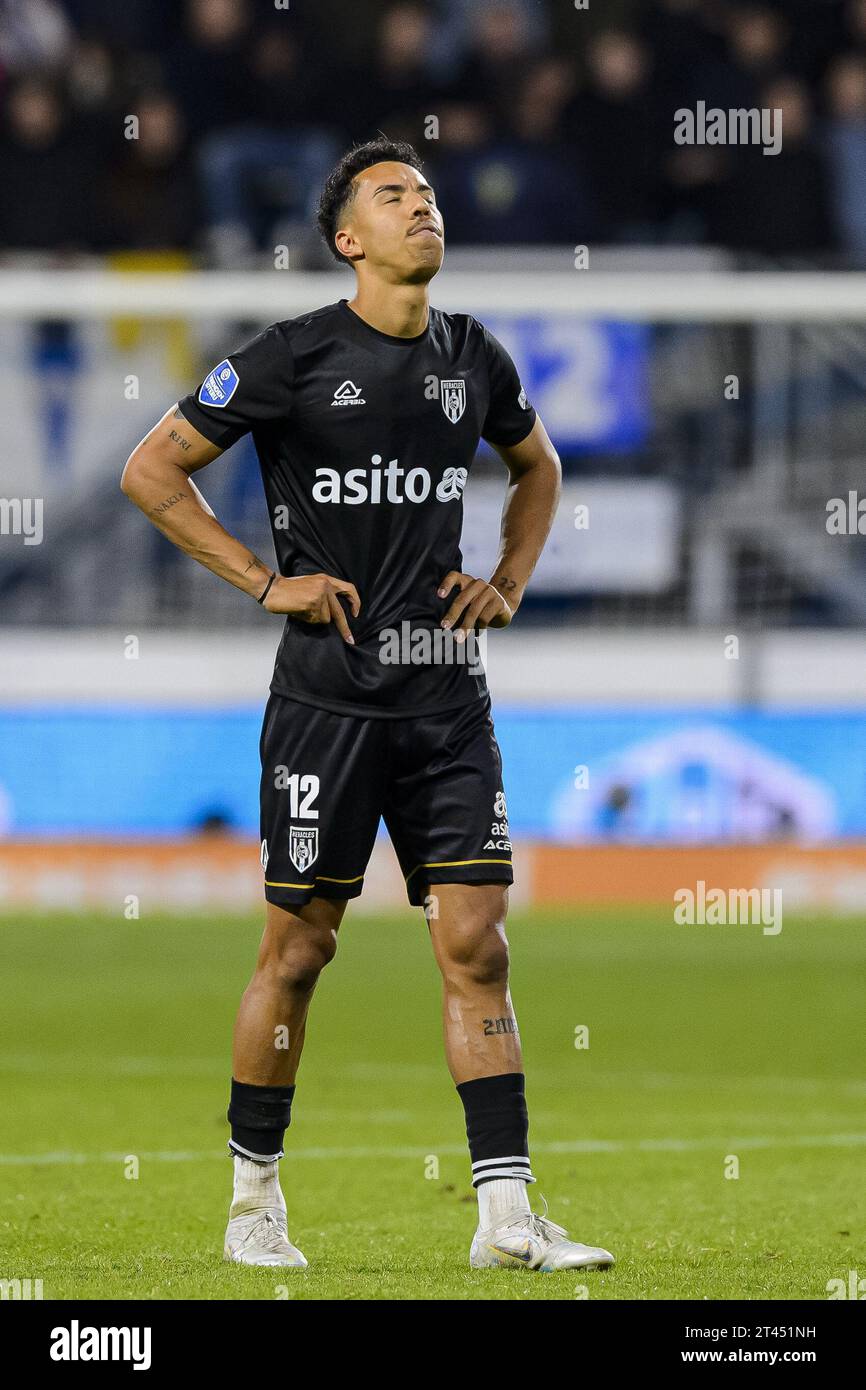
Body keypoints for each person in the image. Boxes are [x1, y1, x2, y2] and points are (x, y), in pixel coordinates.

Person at [121, 136, 614, 1275]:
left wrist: (509, 579)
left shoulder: (471, 355)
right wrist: (260, 579)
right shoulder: (289, 356)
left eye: (429, 193)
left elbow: (536, 468)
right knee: (298, 951)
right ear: (348, 238)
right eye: (394, 197)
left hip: (445, 703)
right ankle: (253, 1203)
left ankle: (503, 1217)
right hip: (327, 705)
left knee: (477, 946)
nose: (421, 208)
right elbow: (153, 470)